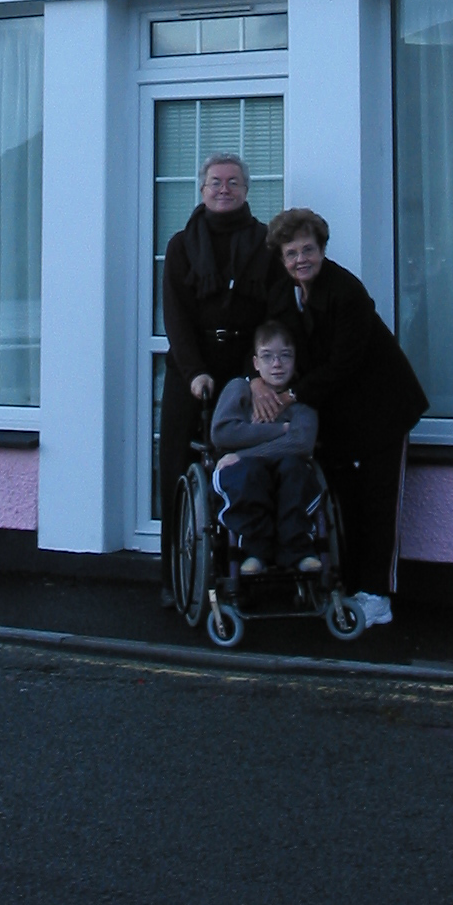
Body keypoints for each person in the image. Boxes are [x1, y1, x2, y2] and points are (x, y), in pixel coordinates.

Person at [260, 206, 428, 629]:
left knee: (378, 504)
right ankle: (351, 588)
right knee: (345, 503)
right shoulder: (283, 294)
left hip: (382, 410)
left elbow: (344, 364)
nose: (301, 259)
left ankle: (378, 596)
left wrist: (292, 395)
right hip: (335, 415)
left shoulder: (346, 292)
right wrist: (257, 382)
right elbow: (273, 347)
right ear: (281, 259)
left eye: (309, 249)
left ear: (322, 249)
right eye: (292, 252)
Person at [158, 151, 271, 603]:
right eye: (215, 183)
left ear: (246, 190)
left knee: (242, 468)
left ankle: (241, 572)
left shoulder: (265, 241)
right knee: (177, 470)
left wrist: (252, 377)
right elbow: (176, 318)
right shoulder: (182, 245)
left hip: (246, 367)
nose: (224, 190)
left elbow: (272, 316)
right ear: (202, 190)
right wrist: (196, 373)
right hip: (192, 369)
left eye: (233, 183)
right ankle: (173, 579)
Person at [209, 322, 322, 574]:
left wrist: (241, 453)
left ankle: (298, 550)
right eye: (268, 357)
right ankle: (254, 551)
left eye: (285, 356)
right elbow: (223, 433)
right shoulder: (238, 389)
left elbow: (301, 443)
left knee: (295, 469)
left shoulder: (303, 400)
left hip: (281, 469)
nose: (277, 364)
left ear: (295, 361)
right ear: (256, 363)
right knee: (248, 473)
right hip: (244, 475)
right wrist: (279, 431)